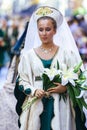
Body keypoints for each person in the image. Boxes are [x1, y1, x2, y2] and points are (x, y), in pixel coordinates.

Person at [14, 6, 87, 130]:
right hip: (36, 104)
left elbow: (80, 79)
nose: (44, 33)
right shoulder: (28, 56)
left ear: (55, 31)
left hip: (61, 106)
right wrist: (33, 90)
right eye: (40, 29)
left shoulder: (67, 54)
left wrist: (66, 88)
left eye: (48, 29)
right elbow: (21, 80)